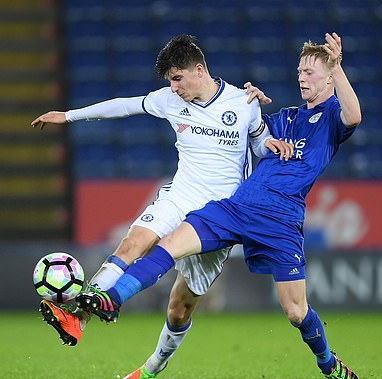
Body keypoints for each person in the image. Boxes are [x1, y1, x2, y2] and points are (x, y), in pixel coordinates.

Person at [75, 32, 365, 379]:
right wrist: (248, 102)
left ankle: (328, 363)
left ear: (328, 78)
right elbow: (250, 131)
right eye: (299, 71)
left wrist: (337, 68)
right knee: (169, 243)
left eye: (309, 72)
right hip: (238, 206)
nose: (301, 77)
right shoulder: (286, 117)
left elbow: (354, 115)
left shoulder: (331, 119)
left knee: (295, 312)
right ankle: (110, 300)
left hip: (281, 219)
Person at [30, 34, 293, 346]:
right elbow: (123, 106)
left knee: (180, 310)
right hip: (180, 195)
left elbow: (259, 142)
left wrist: (269, 144)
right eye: (170, 81)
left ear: (199, 70)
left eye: (177, 79)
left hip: (219, 214)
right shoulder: (170, 101)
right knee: (131, 245)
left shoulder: (243, 102)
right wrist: (67, 116)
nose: (174, 88)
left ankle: (154, 364)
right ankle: (77, 320)